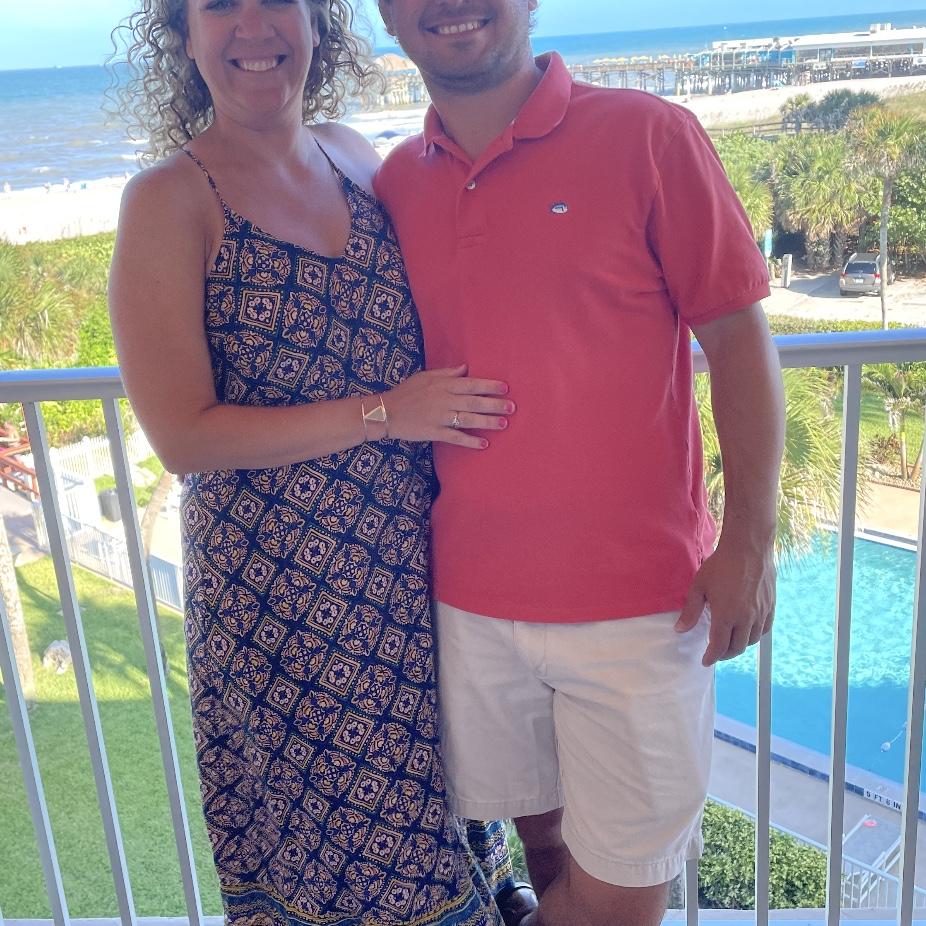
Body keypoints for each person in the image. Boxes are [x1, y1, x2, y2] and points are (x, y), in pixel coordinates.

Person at [107, 0, 524, 923]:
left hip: (414, 577)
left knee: (456, 823)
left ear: (317, 24)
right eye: (220, 5)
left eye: (279, 0)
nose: (253, 27)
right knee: (360, 872)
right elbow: (183, 435)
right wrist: (383, 415)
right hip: (290, 607)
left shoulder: (355, 156)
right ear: (183, 35)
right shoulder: (171, 200)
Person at [373, 2, 786, 925]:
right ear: (388, 15)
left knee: (622, 895)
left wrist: (750, 543)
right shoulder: (395, 179)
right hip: (469, 601)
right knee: (547, 853)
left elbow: (737, 340)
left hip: (641, 605)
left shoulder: (649, 135)